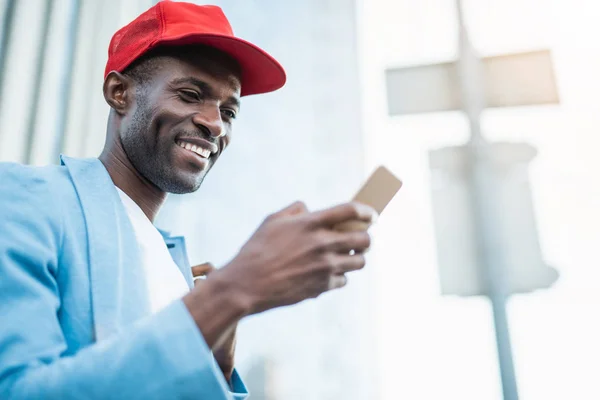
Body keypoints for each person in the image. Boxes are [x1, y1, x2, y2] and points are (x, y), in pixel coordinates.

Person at [0, 2, 377, 399]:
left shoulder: (180, 273)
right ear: (119, 93)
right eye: (191, 94)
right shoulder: (24, 197)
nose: (215, 124)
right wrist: (229, 294)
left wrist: (218, 367)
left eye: (229, 111)